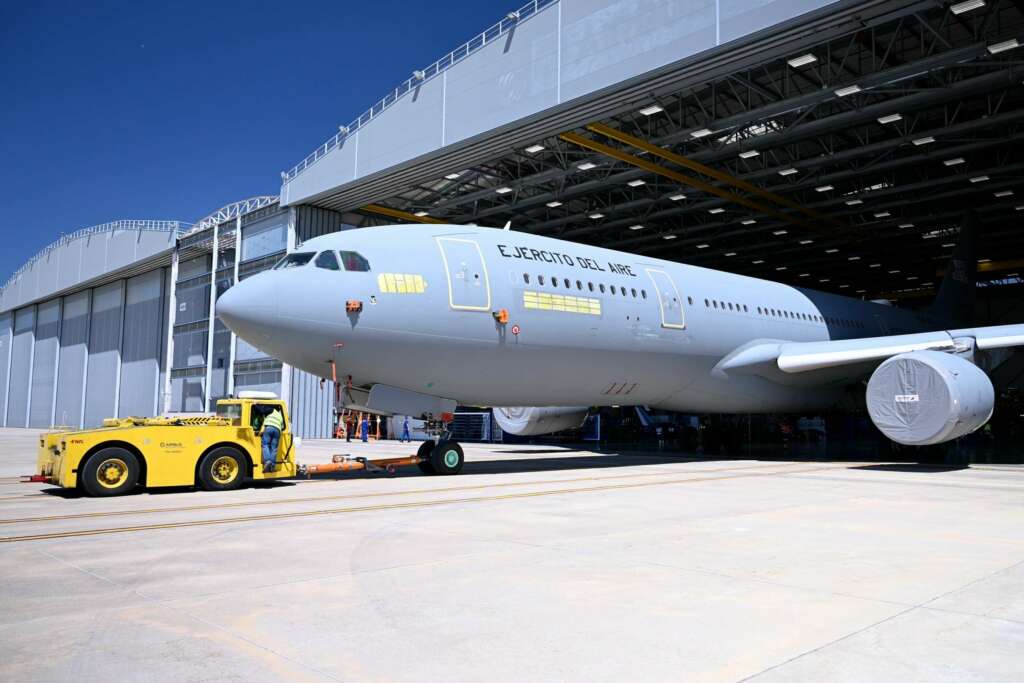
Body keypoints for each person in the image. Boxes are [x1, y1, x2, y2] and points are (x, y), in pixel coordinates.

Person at [261, 406, 285, 473]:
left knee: (265, 445)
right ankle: (272, 466)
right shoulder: (280, 416)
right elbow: (282, 427)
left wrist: (256, 404)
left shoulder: (272, 410)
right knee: (274, 448)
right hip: (277, 430)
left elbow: (261, 410)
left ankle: (267, 461)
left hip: (269, 428)